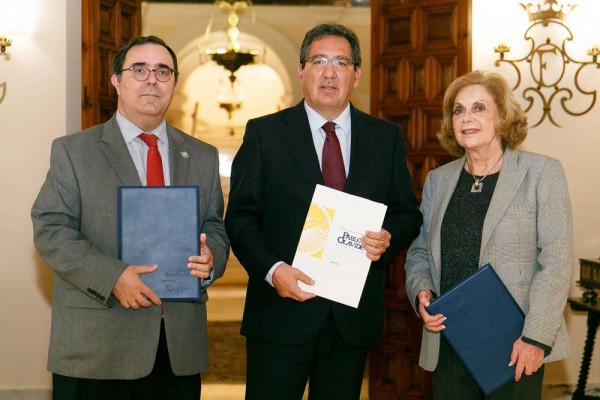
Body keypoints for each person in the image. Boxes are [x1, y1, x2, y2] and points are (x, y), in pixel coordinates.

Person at [225, 23, 422, 400]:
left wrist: (388, 238)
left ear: (356, 75)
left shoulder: (385, 138)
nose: (329, 72)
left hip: (350, 321)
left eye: (340, 62)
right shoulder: (265, 134)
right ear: (301, 71)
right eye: (318, 61)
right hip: (280, 312)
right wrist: (273, 270)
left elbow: (406, 213)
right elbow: (240, 217)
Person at [31, 35, 229, 400]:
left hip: (176, 349)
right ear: (116, 80)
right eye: (139, 70)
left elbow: (213, 225)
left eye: (163, 71)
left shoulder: (202, 155)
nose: (152, 79)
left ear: (174, 83)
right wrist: (112, 276)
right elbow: (51, 229)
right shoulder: (74, 151)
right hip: (97, 347)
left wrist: (211, 257)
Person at [404, 70, 572, 399]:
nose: (467, 117)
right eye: (458, 110)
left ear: (502, 117)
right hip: (449, 342)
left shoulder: (541, 172)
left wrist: (535, 338)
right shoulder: (439, 180)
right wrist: (421, 290)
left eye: (479, 108)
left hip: (515, 344)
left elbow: (556, 261)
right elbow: (420, 251)